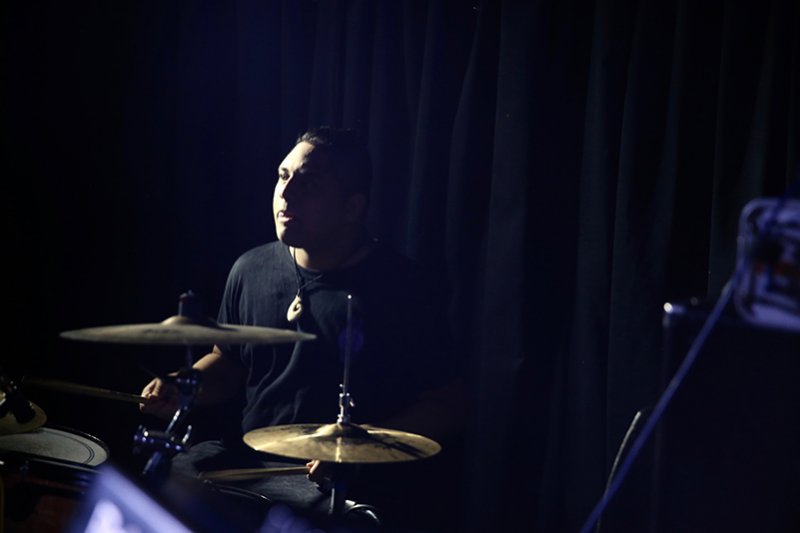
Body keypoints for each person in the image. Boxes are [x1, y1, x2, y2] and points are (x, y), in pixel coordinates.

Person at [140, 126, 467, 532]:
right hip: (247, 463)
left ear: (351, 208)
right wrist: (184, 386)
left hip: (338, 482)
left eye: (308, 184)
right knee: (159, 481)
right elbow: (228, 361)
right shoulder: (250, 268)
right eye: (283, 176)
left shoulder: (402, 287)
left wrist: (358, 446)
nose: (286, 193)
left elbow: (447, 405)